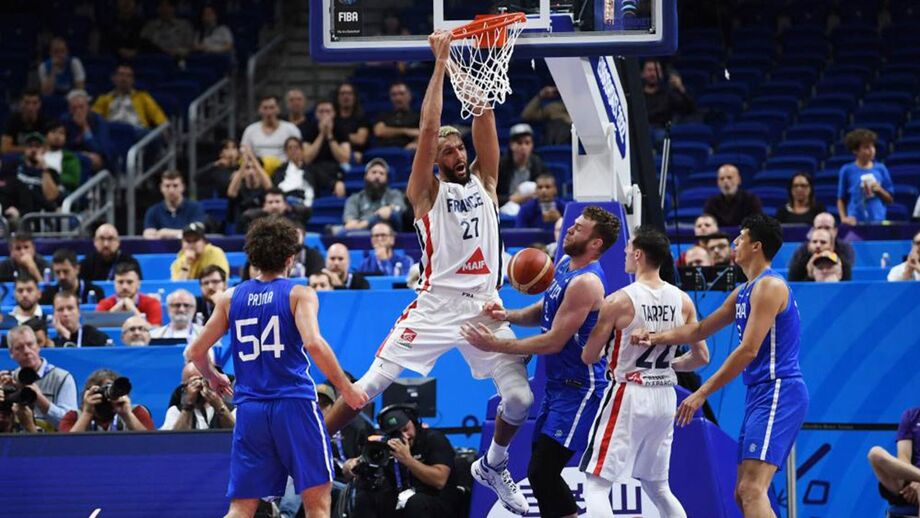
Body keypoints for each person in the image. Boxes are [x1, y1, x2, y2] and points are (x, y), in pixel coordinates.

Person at [323, 32, 534, 515]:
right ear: (434, 162)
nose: (457, 155)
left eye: (459, 148)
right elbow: (428, 128)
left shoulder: (486, 181)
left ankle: (494, 464)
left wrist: (467, 62)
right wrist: (439, 65)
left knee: (520, 398)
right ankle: (310, 444)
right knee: (368, 386)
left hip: (486, 306)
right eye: (448, 152)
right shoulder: (425, 193)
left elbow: (484, 115)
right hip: (436, 306)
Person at [185, 215, 368, 518]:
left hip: (251, 410)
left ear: (253, 258)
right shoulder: (299, 294)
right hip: (294, 404)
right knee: (318, 505)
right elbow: (313, 344)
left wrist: (213, 376)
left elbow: (195, 351)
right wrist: (346, 388)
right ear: (290, 258)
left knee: (241, 508)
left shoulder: (230, 298)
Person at [631, 214, 809, 518]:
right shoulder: (744, 291)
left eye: (740, 238)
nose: (734, 243)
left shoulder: (770, 286)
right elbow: (700, 330)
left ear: (756, 245)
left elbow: (748, 350)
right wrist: (655, 337)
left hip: (780, 389)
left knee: (752, 490)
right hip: (761, 392)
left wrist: (702, 392)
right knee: (743, 493)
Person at [461, 206, 620, 518]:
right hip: (559, 385)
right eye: (573, 224)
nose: (570, 229)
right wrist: (508, 315)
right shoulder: (564, 265)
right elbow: (544, 309)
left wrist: (496, 344)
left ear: (596, 243)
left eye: (579, 228)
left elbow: (553, 340)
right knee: (541, 473)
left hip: (581, 388)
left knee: (543, 471)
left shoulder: (587, 282)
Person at [577, 225, 710, 518]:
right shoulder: (683, 300)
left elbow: (589, 356)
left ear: (638, 254)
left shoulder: (618, 301)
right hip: (665, 396)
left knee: (596, 484)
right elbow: (701, 357)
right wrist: (669, 364)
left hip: (628, 393)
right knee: (658, 486)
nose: (625, 253)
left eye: (628, 249)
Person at [342, 404, 463, 518]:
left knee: (416, 502)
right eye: (397, 433)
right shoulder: (388, 445)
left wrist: (407, 459)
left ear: (414, 422)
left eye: (406, 429)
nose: (405, 436)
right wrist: (352, 465)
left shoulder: (433, 439)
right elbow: (350, 468)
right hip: (402, 499)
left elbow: (439, 480)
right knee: (365, 498)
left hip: (437, 502)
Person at [6, 324, 78, 430]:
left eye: (30, 345)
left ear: (38, 346)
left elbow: (70, 425)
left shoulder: (62, 378)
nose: (26, 351)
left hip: (54, 439)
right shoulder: (11, 379)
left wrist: (40, 399)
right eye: (19, 348)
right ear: (11, 353)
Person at [60, 368, 155, 432]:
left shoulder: (136, 412)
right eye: (103, 391)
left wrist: (127, 415)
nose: (107, 398)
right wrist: (87, 413)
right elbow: (65, 448)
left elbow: (152, 444)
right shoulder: (73, 416)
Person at [837, 128, 894, 225]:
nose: (872, 150)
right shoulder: (847, 170)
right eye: (866, 147)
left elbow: (890, 199)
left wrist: (880, 190)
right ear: (855, 150)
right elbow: (841, 199)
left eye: (873, 146)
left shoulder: (881, 169)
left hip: (878, 221)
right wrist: (843, 218)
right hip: (855, 221)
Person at [867, 406, 920, 507]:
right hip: (909, 480)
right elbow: (904, 458)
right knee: (875, 453)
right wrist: (915, 479)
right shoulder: (911, 415)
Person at [92, 64, 168, 132]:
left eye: (128, 76)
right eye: (121, 75)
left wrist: (164, 128)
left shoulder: (143, 97)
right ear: (113, 78)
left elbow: (157, 115)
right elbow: (93, 119)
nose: (124, 79)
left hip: (137, 133)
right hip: (113, 133)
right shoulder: (104, 99)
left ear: (132, 80)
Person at [161, 362, 235, 430]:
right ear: (183, 388)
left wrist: (219, 407)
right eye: (192, 384)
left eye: (202, 381)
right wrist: (187, 407)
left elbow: (237, 434)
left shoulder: (231, 410)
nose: (197, 386)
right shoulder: (175, 411)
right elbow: (173, 438)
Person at [300, 99, 350, 195]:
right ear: (316, 114)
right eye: (321, 111)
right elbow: (306, 159)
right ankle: (334, 185)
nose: (324, 115)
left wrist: (330, 135)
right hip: (313, 167)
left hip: (335, 167)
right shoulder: (309, 129)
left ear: (334, 113)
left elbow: (344, 158)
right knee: (310, 170)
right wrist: (322, 134)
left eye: (328, 111)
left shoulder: (341, 128)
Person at [342, 158, 407, 231]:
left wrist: (362, 224)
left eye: (381, 173)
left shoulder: (395, 194)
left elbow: (399, 208)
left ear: (387, 179)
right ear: (365, 176)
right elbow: (350, 225)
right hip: (362, 234)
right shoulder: (354, 198)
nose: (377, 176)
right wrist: (378, 216)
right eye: (374, 172)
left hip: (388, 233)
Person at [497, 123, 547, 211]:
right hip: (506, 207)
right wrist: (511, 199)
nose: (523, 147)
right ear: (512, 145)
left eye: (527, 143)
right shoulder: (501, 165)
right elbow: (491, 196)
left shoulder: (538, 164)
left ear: (532, 145)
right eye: (519, 143)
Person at [143, 170, 206, 239]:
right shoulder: (153, 211)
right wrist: (182, 233)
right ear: (161, 187)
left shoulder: (195, 207)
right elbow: (148, 235)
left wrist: (164, 233)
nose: (171, 190)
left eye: (175, 186)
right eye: (167, 186)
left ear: (182, 187)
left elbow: (196, 232)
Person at [96, 262, 163, 325]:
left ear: (138, 284)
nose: (125, 287)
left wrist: (133, 309)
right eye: (120, 282)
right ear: (114, 284)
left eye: (129, 282)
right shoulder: (104, 304)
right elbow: (97, 329)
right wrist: (115, 309)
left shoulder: (152, 303)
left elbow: (155, 330)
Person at [241, 95, 303, 163]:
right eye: (265, 108)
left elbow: (299, 153)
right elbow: (244, 152)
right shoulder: (250, 130)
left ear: (278, 109)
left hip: (284, 167)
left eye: (272, 107)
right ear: (259, 110)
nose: (269, 112)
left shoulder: (291, 129)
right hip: (257, 167)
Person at [642, 60, 695, 137]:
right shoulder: (636, 95)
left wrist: (680, 88)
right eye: (650, 70)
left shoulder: (668, 94)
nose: (653, 74)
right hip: (640, 129)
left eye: (656, 70)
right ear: (642, 73)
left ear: (661, 74)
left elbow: (690, 109)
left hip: (661, 131)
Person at [63, 89, 110, 171]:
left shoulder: (98, 121)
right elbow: (63, 146)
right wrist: (80, 154)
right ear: (69, 109)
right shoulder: (65, 121)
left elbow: (100, 149)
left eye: (81, 107)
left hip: (96, 157)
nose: (78, 111)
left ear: (88, 107)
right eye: (74, 108)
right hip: (74, 155)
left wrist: (85, 126)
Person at [41, 248, 105, 305]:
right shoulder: (48, 296)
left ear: (77, 269)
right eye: (57, 272)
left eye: (66, 271)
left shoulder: (96, 292)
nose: (62, 277)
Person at [787, 227, 853, 282]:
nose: (818, 245)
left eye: (823, 242)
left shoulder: (843, 264)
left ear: (832, 246)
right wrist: (810, 276)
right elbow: (794, 288)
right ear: (809, 245)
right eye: (814, 242)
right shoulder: (798, 264)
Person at [373, 81, 421, 149]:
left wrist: (416, 143)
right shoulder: (383, 115)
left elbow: (421, 134)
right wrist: (406, 131)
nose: (398, 98)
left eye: (401, 94)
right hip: (384, 149)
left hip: (407, 150)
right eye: (394, 95)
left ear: (409, 96)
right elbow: (379, 132)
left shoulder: (418, 116)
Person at [1, 90, 48, 154]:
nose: (30, 107)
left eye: (35, 103)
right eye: (27, 103)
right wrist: (32, 150)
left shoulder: (46, 122)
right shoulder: (12, 121)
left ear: (40, 104)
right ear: (20, 103)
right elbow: (4, 148)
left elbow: (49, 148)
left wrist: (15, 148)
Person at [334, 82, 371, 162]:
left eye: (349, 93)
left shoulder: (361, 119)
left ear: (354, 97)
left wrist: (335, 135)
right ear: (337, 97)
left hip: (354, 155)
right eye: (342, 93)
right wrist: (351, 136)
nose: (346, 96)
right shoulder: (332, 119)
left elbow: (360, 140)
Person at [42, 121, 83, 193]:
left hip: (58, 193)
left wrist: (55, 176)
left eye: (61, 133)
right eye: (53, 131)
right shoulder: (37, 153)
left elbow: (74, 180)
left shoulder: (70, 158)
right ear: (46, 135)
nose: (57, 136)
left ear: (65, 138)